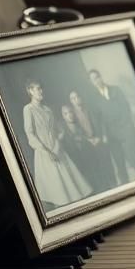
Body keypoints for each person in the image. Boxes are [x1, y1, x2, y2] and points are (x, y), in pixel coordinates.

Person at [22, 80, 92, 209]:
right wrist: (46, 151)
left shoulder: (47, 109)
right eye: (37, 88)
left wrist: (57, 145)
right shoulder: (28, 109)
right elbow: (30, 134)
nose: (41, 91)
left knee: (73, 190)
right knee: (58, 194)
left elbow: (57, 131)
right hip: (44, 153)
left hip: (57, 149)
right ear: (30, 91)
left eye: (41, 88)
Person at [86, 68, 135, 185]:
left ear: (101, 77)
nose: (97, 81)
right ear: (91, 83)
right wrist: (102, 135)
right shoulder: (94, 100)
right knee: (120, 164)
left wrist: (127, 129)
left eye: (97, 77)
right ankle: (127, 189)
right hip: (111, 135)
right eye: (93, 80)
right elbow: (97, 120)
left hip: (126, 130)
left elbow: (126, 110)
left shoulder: (116, 90)